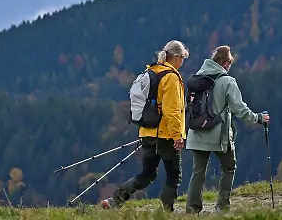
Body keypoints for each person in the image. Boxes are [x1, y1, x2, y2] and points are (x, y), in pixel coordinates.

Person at [101, 40, 188, 212]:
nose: (183, 62)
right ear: (176, 58)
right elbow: (172, 110)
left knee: (147, 174)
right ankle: (167, 211)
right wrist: (177, 135)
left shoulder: (152, 71)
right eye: (183, 58)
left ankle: (114, 201)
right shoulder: (171, 77)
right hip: (166, 135)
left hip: (147, 132)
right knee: (174, 174)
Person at [184, 45, 269, 214]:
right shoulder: (227, 81)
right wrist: (258, 118)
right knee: (229, 166)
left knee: (198, 171)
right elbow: (240, 110)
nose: (230, 66)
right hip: (218, 135)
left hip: (196, 132)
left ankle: (192, 210)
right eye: (229, 63)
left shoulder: (198, 78)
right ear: (224, 62)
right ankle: (222, 208)